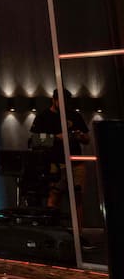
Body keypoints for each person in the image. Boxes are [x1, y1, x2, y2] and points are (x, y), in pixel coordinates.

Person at [30, 89, 90, 237]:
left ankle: (78, 236)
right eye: (61, 101)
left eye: (66, 102)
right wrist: (56, 138)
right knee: (54, 197)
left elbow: (87, 139)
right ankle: (53, 234)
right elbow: (35, 140)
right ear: (54, 99)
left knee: (77, 200)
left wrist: (80, 136)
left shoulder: (74, 115)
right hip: (55, 163)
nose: (64, 105)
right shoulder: (44, 117)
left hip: (75, 163)